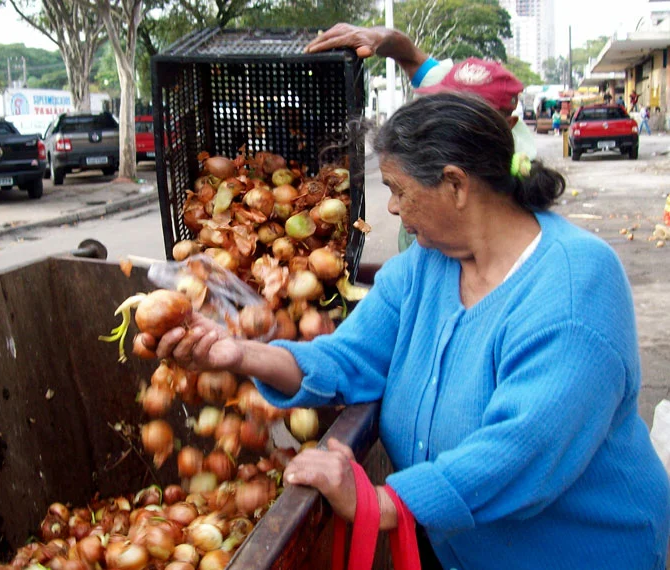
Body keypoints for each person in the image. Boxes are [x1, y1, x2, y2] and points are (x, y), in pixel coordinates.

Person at [146, 93, 670, 569]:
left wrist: (382, 503)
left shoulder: (575, 287)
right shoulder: (427, 265)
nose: (392, 207)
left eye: (397, 189)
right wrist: (236, 354)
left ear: (456, 185)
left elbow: (522, 449)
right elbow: (348, 358)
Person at [304, 23, 535, 253]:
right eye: (440, 106)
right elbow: (409, 54)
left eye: (460, 116)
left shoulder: (514, 178)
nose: (443, 118)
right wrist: (378, 36)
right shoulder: (443, 92)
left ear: (508, 124)